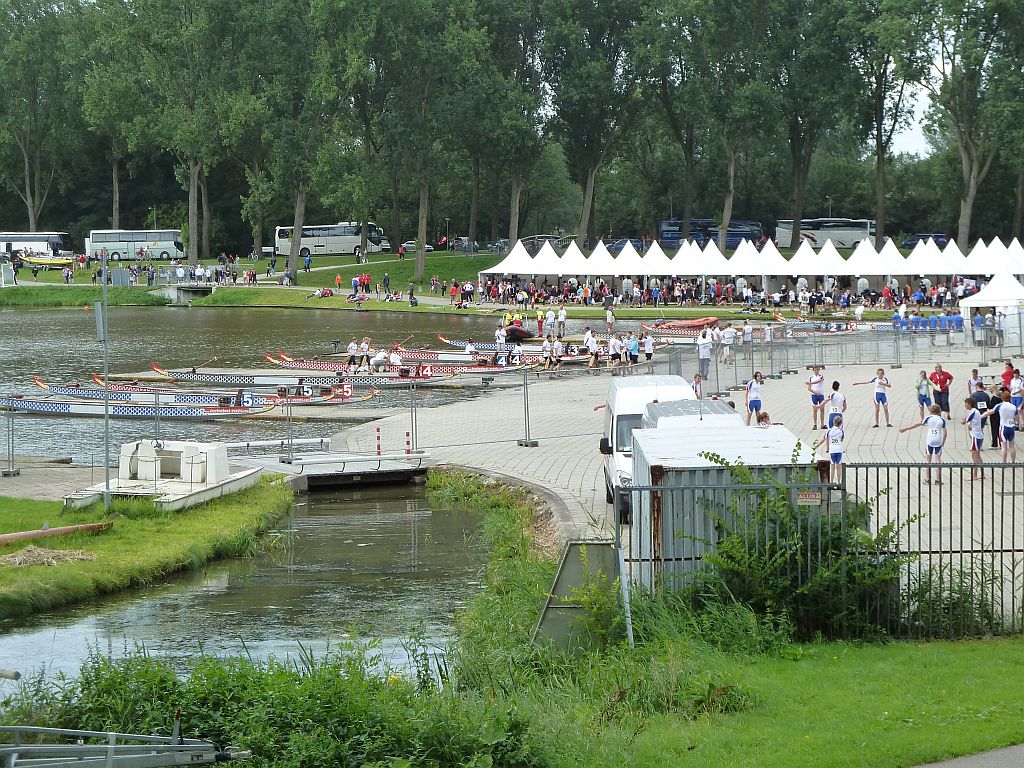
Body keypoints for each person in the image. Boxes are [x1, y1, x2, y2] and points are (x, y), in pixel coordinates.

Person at [900, 404, 947, 484]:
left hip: (930, 440)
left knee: (928, 460)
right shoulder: (942, 420)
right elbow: (945, 433)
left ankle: (928, 479)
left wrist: (906, 428)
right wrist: (943, 443)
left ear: (931, 411)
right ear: (939, 412)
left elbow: (918, 424)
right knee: (938, 460)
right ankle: (938, 480)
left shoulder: (928, 418)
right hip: (938, 440)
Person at [980, 391, 1019, 462]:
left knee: (1004, 446)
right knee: (1012, 446)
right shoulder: (1014, 407)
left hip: (1003, 427)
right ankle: (1013, 461)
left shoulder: (1000, 405)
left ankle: (1004, 462)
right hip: (1011, 427)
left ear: (1002, 398)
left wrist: (981, 416)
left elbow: (990, 412)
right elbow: (1016, 418)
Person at [813, 415, 844, 484]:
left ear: (833, 422)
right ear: (840, 423)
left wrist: (816, 446)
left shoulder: (829, 431)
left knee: (832, 466)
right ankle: (839, 482)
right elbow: (841, 439)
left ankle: (832, 481)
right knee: (839, 466)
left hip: (832, 450)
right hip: (839, 449)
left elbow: (824, 439)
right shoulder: (841, 431)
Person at [961, 397, 986, 480]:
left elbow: (965, 421)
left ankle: (974, 475)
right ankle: (982, 474)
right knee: (977, 455)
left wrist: (962, 421)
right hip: (977, 434)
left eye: (966, 404)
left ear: (969, 404)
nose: (965, 406)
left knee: (974, 455)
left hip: (976, 435)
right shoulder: (975, 412)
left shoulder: (973, 412)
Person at [806, 364, 826, 430]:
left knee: (822, 409)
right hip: (814, 395)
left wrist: (810, 383)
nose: (816, 371)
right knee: (815, 409)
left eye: (818, 370)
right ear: (813, 370)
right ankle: (815, 424)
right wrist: (815, 392)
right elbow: (809, 388)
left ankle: (822, 424)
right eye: (815, 370)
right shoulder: (810, 378)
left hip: (821, 394)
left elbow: (819, 381)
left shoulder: (821, 376)